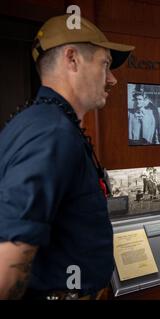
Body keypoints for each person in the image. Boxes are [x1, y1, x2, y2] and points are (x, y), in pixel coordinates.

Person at [0, 14, 134, 300]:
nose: (112, 79)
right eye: (105, 64)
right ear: (72, 59)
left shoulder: (44, 121)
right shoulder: (51, 131)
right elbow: (10, 252)